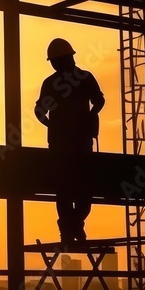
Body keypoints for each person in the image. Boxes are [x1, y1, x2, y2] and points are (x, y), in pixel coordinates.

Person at [34, 38, 105, 244]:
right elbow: (99, 100)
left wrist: (51, 125)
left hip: (66, 145)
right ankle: (73, 227)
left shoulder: (54, 83)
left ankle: (69, 227)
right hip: (73, 144)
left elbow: (40, 111)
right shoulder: (82, 78)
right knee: (77, 191)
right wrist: (90, 115)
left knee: (67, 191)